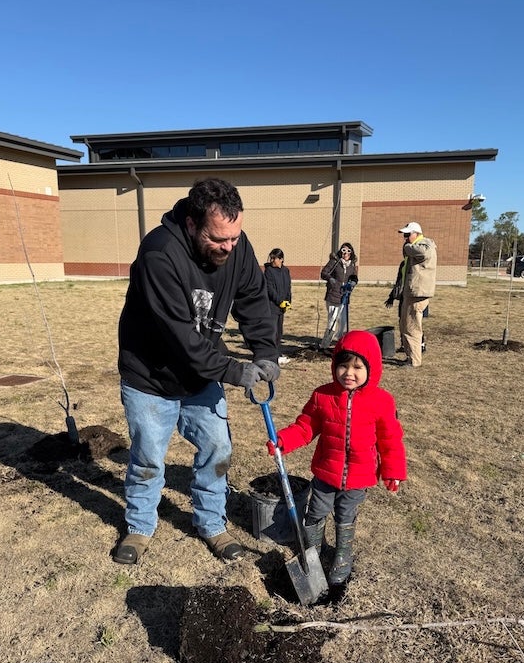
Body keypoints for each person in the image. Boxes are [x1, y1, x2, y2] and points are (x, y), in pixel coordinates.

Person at [115, 178, 280, 565]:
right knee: (149, 457)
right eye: (218, 239)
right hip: (150, 377)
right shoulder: (159, 253)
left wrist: (266, 350)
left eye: (235, 238)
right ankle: (139, 527)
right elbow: (180, 338)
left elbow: (254, 298)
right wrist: (232, 370)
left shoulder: (236, 246)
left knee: (218, 448)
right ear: (191, 223)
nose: (229, 247)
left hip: (200, 376)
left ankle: (211, 523)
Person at [267, 330, 407, 585]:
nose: (349, 373)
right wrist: (284, 440)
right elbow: (306, 426)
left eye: (357, 367)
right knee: (316, 511)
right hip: (325, 472)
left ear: (372, 369)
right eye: (343, 366)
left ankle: (343, 555)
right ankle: (312, 552)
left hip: (359, 476)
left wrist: (393, 471)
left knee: (345, 514)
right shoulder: (323, 395)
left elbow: (391, 440)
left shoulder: (382, 401)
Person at [397, 222, 437, 367]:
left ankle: (414, 360)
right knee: (406, 325)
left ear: (417, 233)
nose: (405, 238)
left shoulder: (425, 244)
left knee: (412, 327)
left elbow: (424, 253)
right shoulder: (416, 246)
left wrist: (407, 247)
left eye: (407, 235)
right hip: (411, 291)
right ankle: (410, 357)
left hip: (418, 292)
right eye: (404, 235)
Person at [384, 254, 427, 353]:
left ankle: (421, 344)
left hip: (414, 295)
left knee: (415, 321)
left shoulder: (417, 263)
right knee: (402, 321)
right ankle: (404, 344)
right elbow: (399, 281)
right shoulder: (403, 264)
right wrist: (392, 296)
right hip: (404, 296)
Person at [321, 242, 358, 343]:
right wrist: (330, 279)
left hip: (344, 297)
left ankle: (341, 341)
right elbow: (324, 273)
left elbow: (354, 277)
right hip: (333, 295)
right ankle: (326, 342)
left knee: (343, 322)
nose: (345, 254)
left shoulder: (352, 265)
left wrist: (353, 283)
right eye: (343, 251)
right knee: (332, 320)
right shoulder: (335, 262)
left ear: (351, 253)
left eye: (348, 251)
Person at [264, 248, 292, 365]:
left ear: (281, 259)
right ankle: (272, 356)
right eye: (271, 258)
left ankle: (276, 353)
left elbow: (288, 287)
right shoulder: (269, 271)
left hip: (282, 307)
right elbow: (269, 289)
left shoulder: (285, 271)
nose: (272, 260)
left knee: (279, 332)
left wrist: (288, 301)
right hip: (272, 306)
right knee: (273, 331)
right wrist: (279, 301)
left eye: (274, 258)